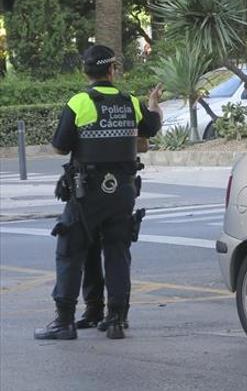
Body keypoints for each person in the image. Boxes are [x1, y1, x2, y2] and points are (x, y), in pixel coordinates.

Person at [34, 45, 162, 341]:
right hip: (123, 192)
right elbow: (152, 127)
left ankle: (64, 321)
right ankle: (115, 318)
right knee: (117, 252)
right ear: (112, 70)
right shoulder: (129, 101)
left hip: (86, 193)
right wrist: (153, 103)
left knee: (70, 250)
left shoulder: (79, 103)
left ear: (85, 72)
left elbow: (60, 146)